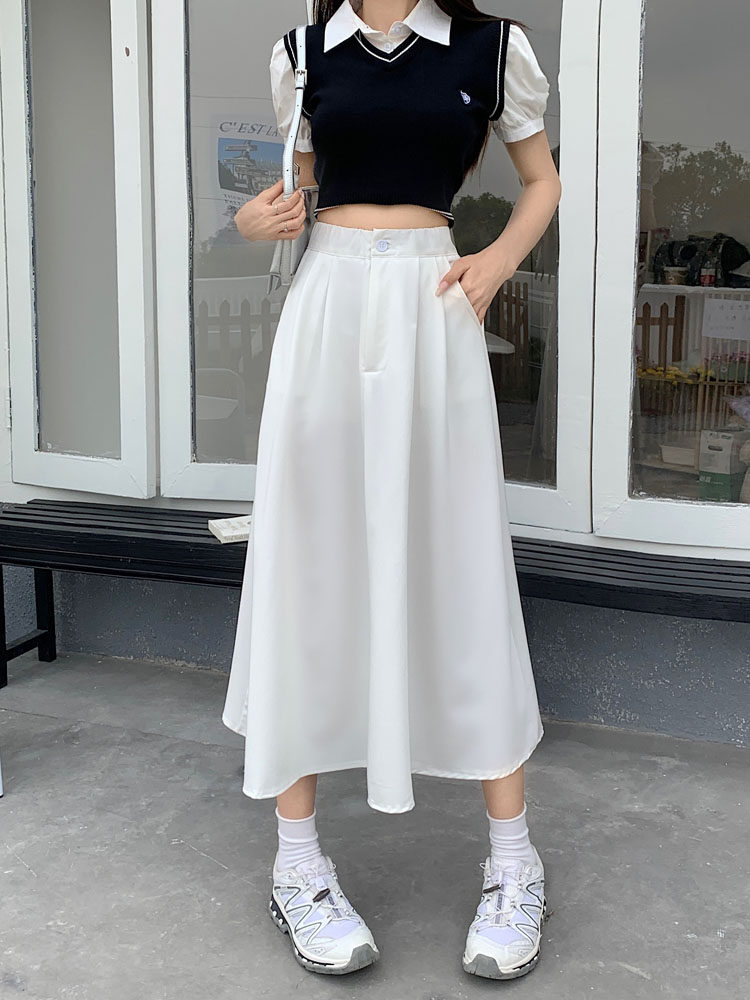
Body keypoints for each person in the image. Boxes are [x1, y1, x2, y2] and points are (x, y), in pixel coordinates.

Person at [222, 0, 562, 981]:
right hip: (326, 310)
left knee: (461, 566)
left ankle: (514, 862)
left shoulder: (492, 48)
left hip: (435, 307)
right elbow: (296, 190)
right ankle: (297, 865)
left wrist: (499, 258)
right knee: (308, 569)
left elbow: (541, 179)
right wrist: (250, 220)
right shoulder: (303, 54)